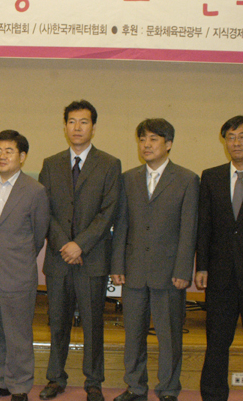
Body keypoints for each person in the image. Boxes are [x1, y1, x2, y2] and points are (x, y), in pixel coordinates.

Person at [38, 100, 121, 401]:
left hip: (92, 258)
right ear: (65, 127)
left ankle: (94, 381)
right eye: (72, 121)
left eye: (83, 122)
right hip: (58, 259)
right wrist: (65, 244)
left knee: (93, 324)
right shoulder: (51, 164)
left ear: (93, 128)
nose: (77, 127)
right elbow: (44, 210)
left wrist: (80, 244)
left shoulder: (109, 164)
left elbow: (108, 212)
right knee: (57, 323)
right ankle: (55, 378)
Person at [111, 119, 198, 401]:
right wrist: (117, 264)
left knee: (169, 336)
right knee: (133, 335)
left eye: (153, 139)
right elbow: (121, 225)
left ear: (168, 144)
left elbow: (189, 229)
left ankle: (169, 389)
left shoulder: (187, 179)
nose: (146, 145)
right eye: (142, 139)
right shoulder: (128, 178)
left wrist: (183, 269)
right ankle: (135, 387)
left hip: (169, 272)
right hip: (134, 270)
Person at [0, 130, 50, 401]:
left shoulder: (35, 190)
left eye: (9, 151)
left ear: (22, 156)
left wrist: (17, 255)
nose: (2, 156)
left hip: (17, 272)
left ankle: (19, 385)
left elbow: (39, 233)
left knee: (18, 333)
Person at [196, 115, 243, 401]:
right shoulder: (211, 176)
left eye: (242, 137)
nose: (236, 143)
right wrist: (201, 266)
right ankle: (213, 395)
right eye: (231, 137)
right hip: (220, 275)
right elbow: (204, 225)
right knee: (216, 342)